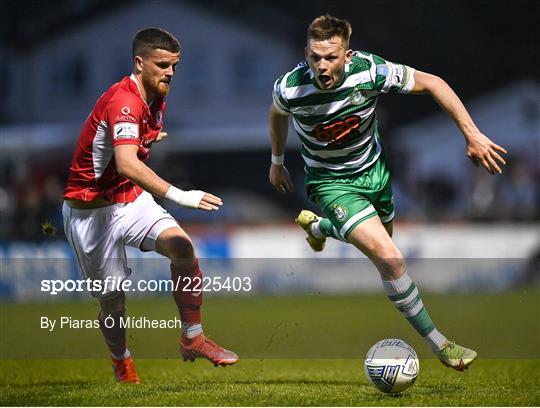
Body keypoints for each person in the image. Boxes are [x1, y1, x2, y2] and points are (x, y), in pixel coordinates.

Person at [268, 15, 507, 371]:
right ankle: (441, 344)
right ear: (307, 52)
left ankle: (319, 229)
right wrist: (276, 161)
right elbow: (277, 114)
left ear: (347, 56)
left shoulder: (371, 71)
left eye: (331, 57)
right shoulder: (290, 87)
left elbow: (435, 83)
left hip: (375, 176)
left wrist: (471, 134)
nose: (322, 65)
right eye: (315, 56)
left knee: (384, 246)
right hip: (329, 182)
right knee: (391, 259)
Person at [63, 27, 238, 384]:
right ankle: (121, 362)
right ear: (139, 62)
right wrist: (180, 196)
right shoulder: (124, 100)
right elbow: (127, 163)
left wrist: (147, 135)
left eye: (174, 65)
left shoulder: (155, 95)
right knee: (112, 302)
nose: (170, 73)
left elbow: (124, 159)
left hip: (129, 199)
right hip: (91, 213)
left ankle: (193, 338)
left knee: (183, 247)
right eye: (162, 65)